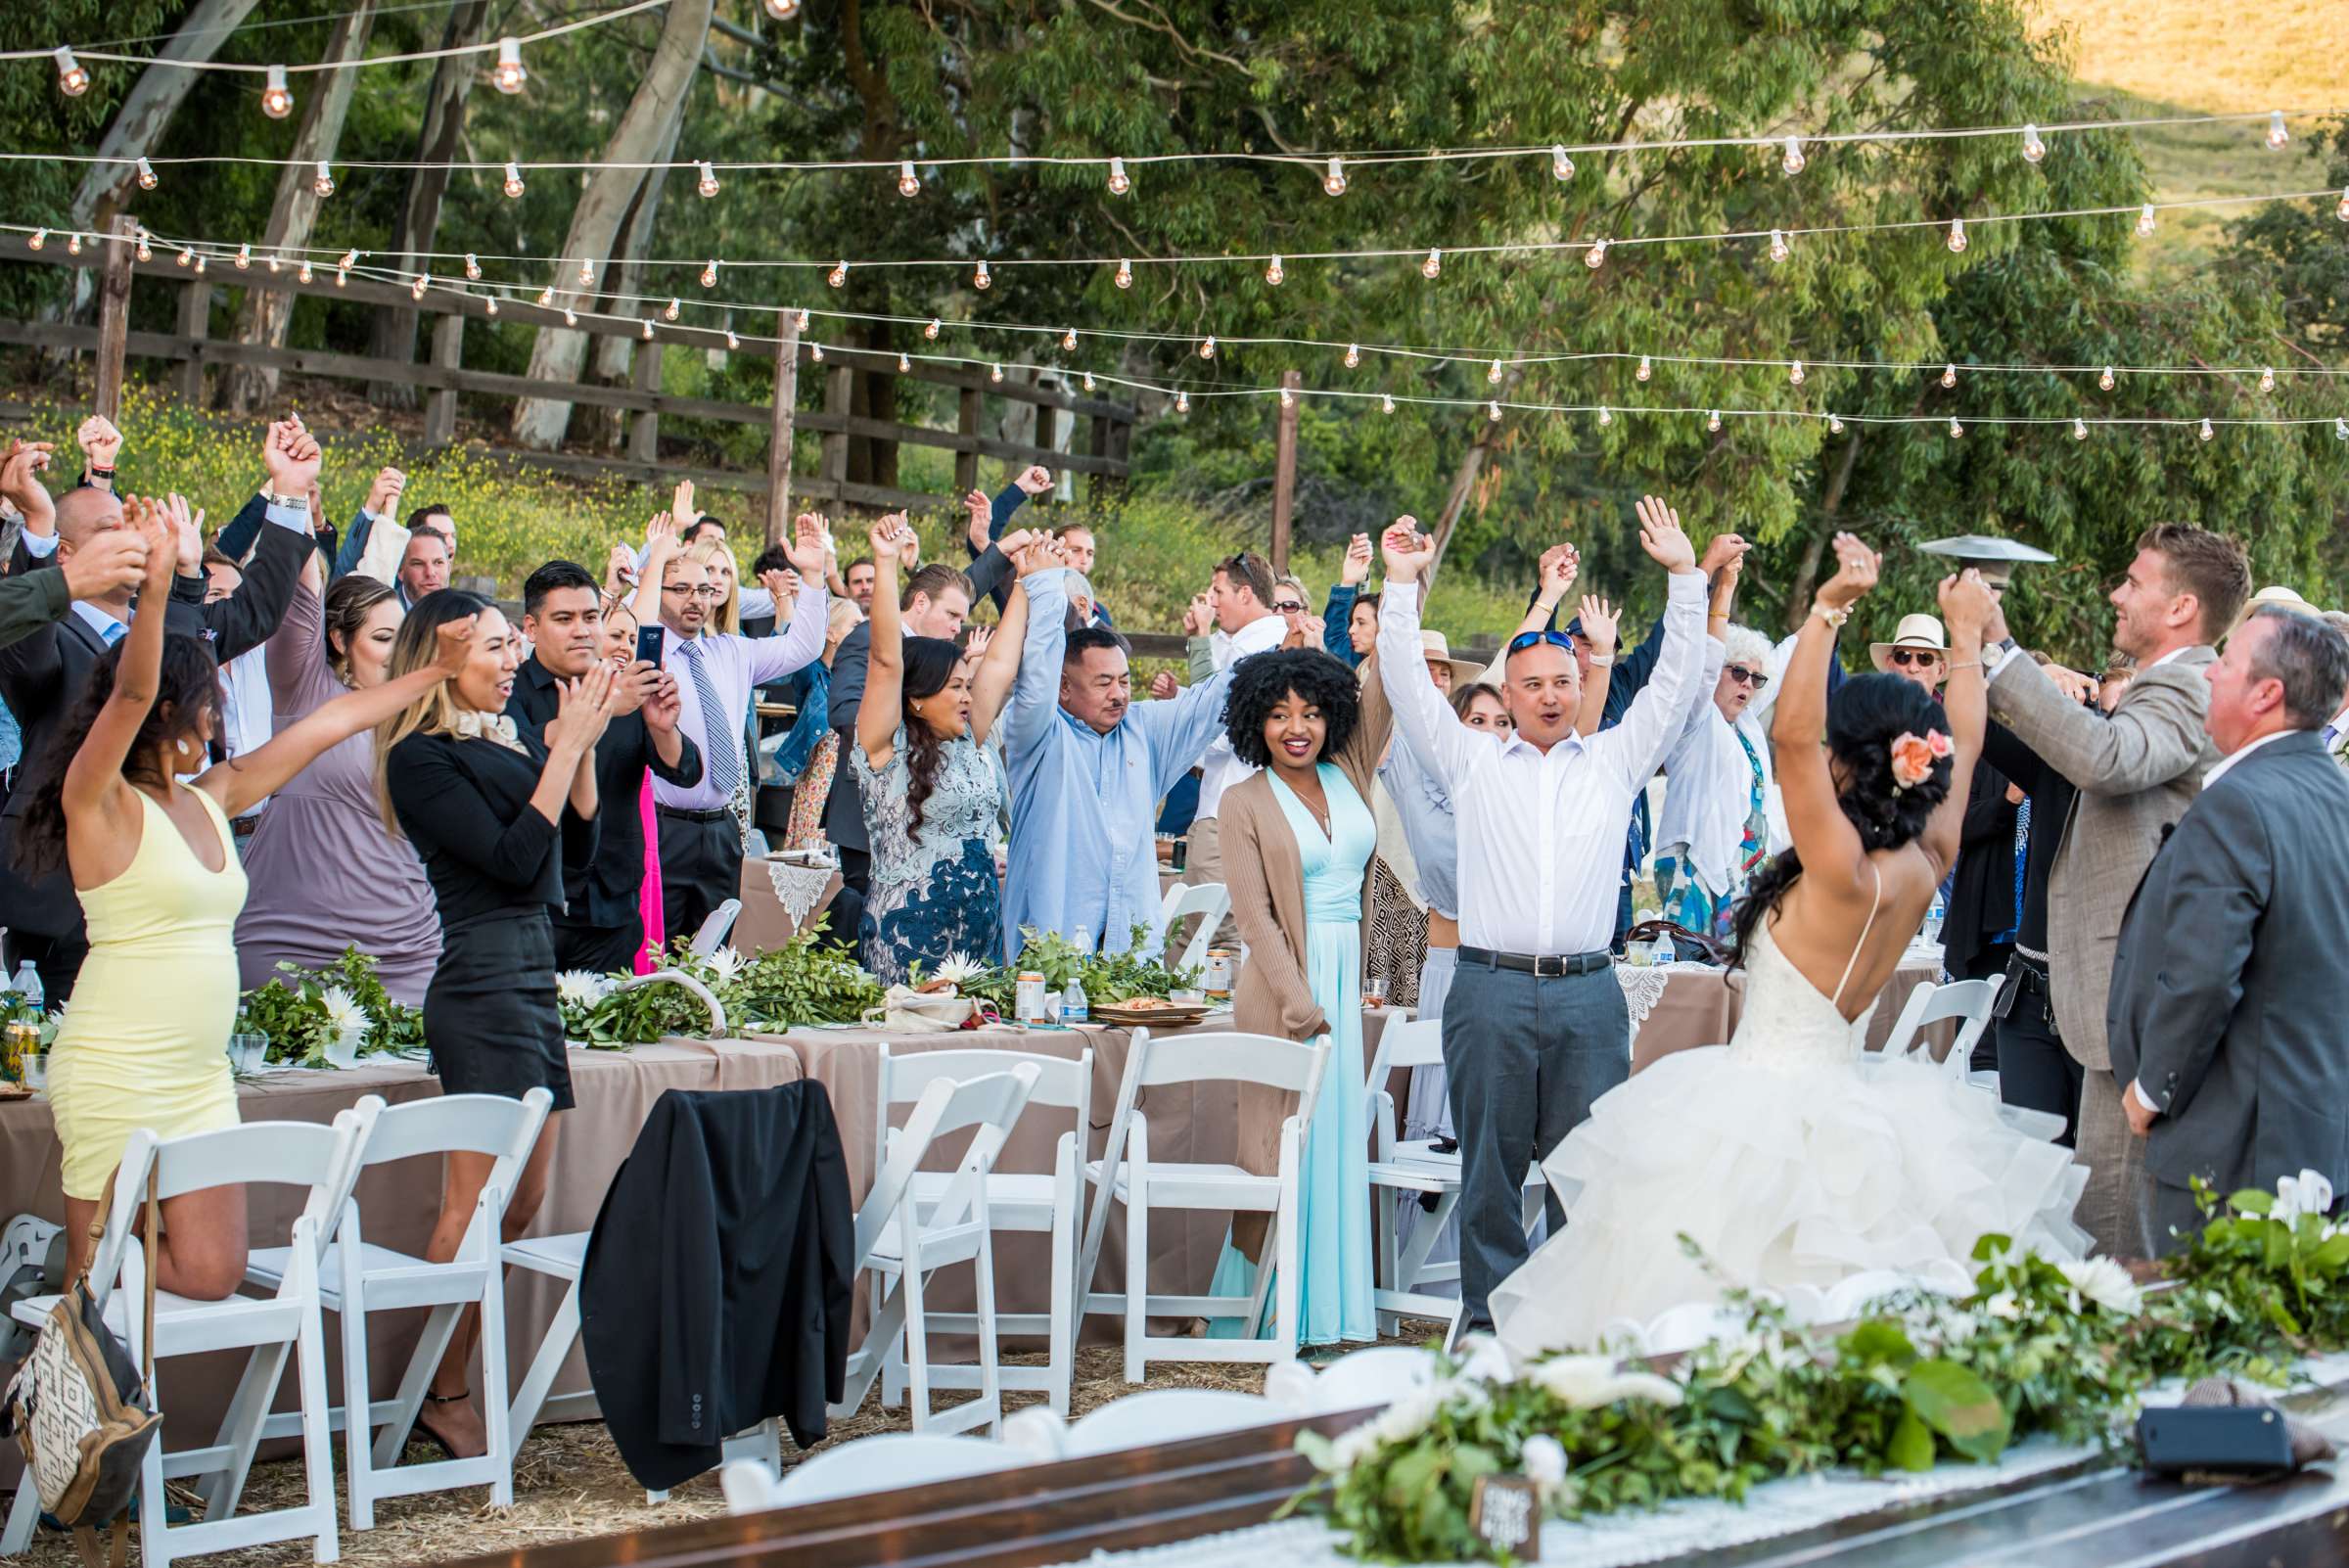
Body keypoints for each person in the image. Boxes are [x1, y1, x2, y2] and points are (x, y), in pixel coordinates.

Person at [1490, 549, 2091, 1356]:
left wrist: (1828, 611)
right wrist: (1965, 638)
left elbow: (1792, 734)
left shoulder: (1840, 867)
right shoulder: (1925, 862)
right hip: (1857, 1112)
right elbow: (1972, 741)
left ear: (1847, 756)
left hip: (1750, 1123)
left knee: (1698, 1318)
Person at [22, 498, 475, 1295]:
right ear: (173, 711)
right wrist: (159, 589)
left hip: (199, 1078)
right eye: (208, 700)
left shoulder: (212, 797)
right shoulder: (94, 802)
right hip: (113, 1068)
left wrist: (433, 673)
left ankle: (53, 1253)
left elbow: (328, 723)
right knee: (93, 1289)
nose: (221, 711)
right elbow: (128, 694)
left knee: (210, 1272)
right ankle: (58, 1279)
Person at [1377, 499, 1709, 1331]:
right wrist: (1399, 587)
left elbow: (1671, 690)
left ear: (1579, 684)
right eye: (1533, 685)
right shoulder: (1472, 761)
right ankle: (1489, 1331)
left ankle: (1570, 1324)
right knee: (1489, 1171)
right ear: (1510, 695)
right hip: (1489, 991)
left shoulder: (1613, 761)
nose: (1551, 696)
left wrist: (1685, 580)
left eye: (1563, 681)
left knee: (1586, 1171)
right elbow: (1407, 687)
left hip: (1589, 996)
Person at [380, 589, 621, 1457]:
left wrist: (577, 750)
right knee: (473, 1204)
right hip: (478, 987)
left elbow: (574, 856)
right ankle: (442, 1393)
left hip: (532, 978)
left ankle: (431, 1381)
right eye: (496, 645)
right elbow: (516, 860)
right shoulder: (419, 757)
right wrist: (562, 754)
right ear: (443, 657)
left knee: (519, 1206)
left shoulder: (501, 738)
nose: (514, 657)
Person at [1975, 522, 2248, 1258]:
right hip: (2116, 998)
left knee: (2115, 1238)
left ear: (2182, 608)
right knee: (2101, 1220)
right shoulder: (2172, 686)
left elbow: (2104, 756)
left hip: (2139, 1004)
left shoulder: (2188, 686)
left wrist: (2001, 648)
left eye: (2133, 582)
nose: (2115, 595)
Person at [1, 420, 311, 997]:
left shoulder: (170, 626)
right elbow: (26, 641)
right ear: (67, 554)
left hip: (168, 883)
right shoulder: (48, 638)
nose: (133, 539)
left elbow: (259, 611)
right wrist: (40, 532)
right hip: (64, 901)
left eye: (133, 527)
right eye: (108, 529)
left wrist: (290, 493)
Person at [2107, 608, 2349, 1251]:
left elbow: (2204, 973)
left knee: (2205, 1341)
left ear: (2267, 694)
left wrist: (2154, 1086)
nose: (2210, 672)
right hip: (2313, 1138)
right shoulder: (2333, 791)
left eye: (2228, 663)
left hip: (2233, 1147)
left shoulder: (2239, 802)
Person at [1212, 646, 1392, 1348]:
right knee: (1280, 1146)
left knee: (1335, 1138)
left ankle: (1332, 1310)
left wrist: (1403, 584)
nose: (1298, 726)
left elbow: (1390, 687)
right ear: (1255, 720)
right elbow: (1255, 918)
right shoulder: (1241, 802)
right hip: (1286, 989)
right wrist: (1301, 1003)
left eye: (1313, 712)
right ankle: (1262, 1312)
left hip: (1345, 975)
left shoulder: (1350, 773)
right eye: (1281, 713)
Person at [1001, 561, 1261, 958]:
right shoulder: (1039, 736)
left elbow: (1210, 701)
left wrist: (1276, 645)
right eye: (1104, 683)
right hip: (1049, 960)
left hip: (1131, 961)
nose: (1119, 694)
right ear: (1064, 688)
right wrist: (1042, 584)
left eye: (1124, 681)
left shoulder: (1144, 729)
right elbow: (1035, 679)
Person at [235, 552, 443, 1001]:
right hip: (289, 946)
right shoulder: (306, 690)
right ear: (339, 639)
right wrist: (295, 501)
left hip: (405, 949)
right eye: (384, 637)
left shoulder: (425, 716)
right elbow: (300, 589)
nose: (399, 652)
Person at [634, 512, 828, 944]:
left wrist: (814, 576)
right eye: (681, 589)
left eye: (704, 590)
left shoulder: (732, 652)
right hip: (665, 827)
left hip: (722, 829)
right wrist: (656, 559)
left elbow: (804, 645)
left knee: (715, 952)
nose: (695, 599)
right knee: (657, 948)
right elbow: (636, 623)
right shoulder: (647, 648)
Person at [851, 518, 1031, 980]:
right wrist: (886, 562)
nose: (969, 696)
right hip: (908, 939)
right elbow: (886, 660)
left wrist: (1027, 582)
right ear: (918, 696)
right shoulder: (885, 748)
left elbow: (1003, 664)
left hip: (979, 939)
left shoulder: (969, 738)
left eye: (967, 686)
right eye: (955, 687)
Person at [511, 561, 702, 973]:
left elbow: (684, 772)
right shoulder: (509, 687)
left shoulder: (626, 686)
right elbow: (511, 757)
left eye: (591, 617)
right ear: (531, 628)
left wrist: (662, 728)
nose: (582, 630)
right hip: (534, 903)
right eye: (564, 619)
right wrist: (604, 707)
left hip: (613, 902)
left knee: (607, 1032)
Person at [1652, 617, 1784, 946]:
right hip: (1693, 863)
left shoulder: (1746, 728)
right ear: (1714, 673)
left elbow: (1786, 659)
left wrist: (1826, 616)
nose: (1747, 685)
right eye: (1738, 672)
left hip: (1744, 869)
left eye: (1756, 679)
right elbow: (1705, 661)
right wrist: (1723, 587)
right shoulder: (1696, 717)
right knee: (1692, 967)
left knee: (1737, 969)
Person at [1180, 551, 1289, 941]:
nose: (1211, 600)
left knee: (1215, 935)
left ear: (1245, 594)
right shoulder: (1254, 643)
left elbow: (1217, 732)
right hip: (1253, 807)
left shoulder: (1255, 652)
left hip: (1228, 807)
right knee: (1208, 934)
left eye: (1218, 590)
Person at [1321, 533, 1377, 668]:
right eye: (1352, 622)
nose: (1351, 630)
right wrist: (1349, 581)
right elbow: (1334, 637)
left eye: (1361, 623)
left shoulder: (1399, 668)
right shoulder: (1356, 662)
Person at [396, 527, 453, 610]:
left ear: (449, 568)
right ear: (401, 571)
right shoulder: (381, 614)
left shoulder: (465, 613)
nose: (430, 573)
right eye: (418, 564)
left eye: (438, 562)